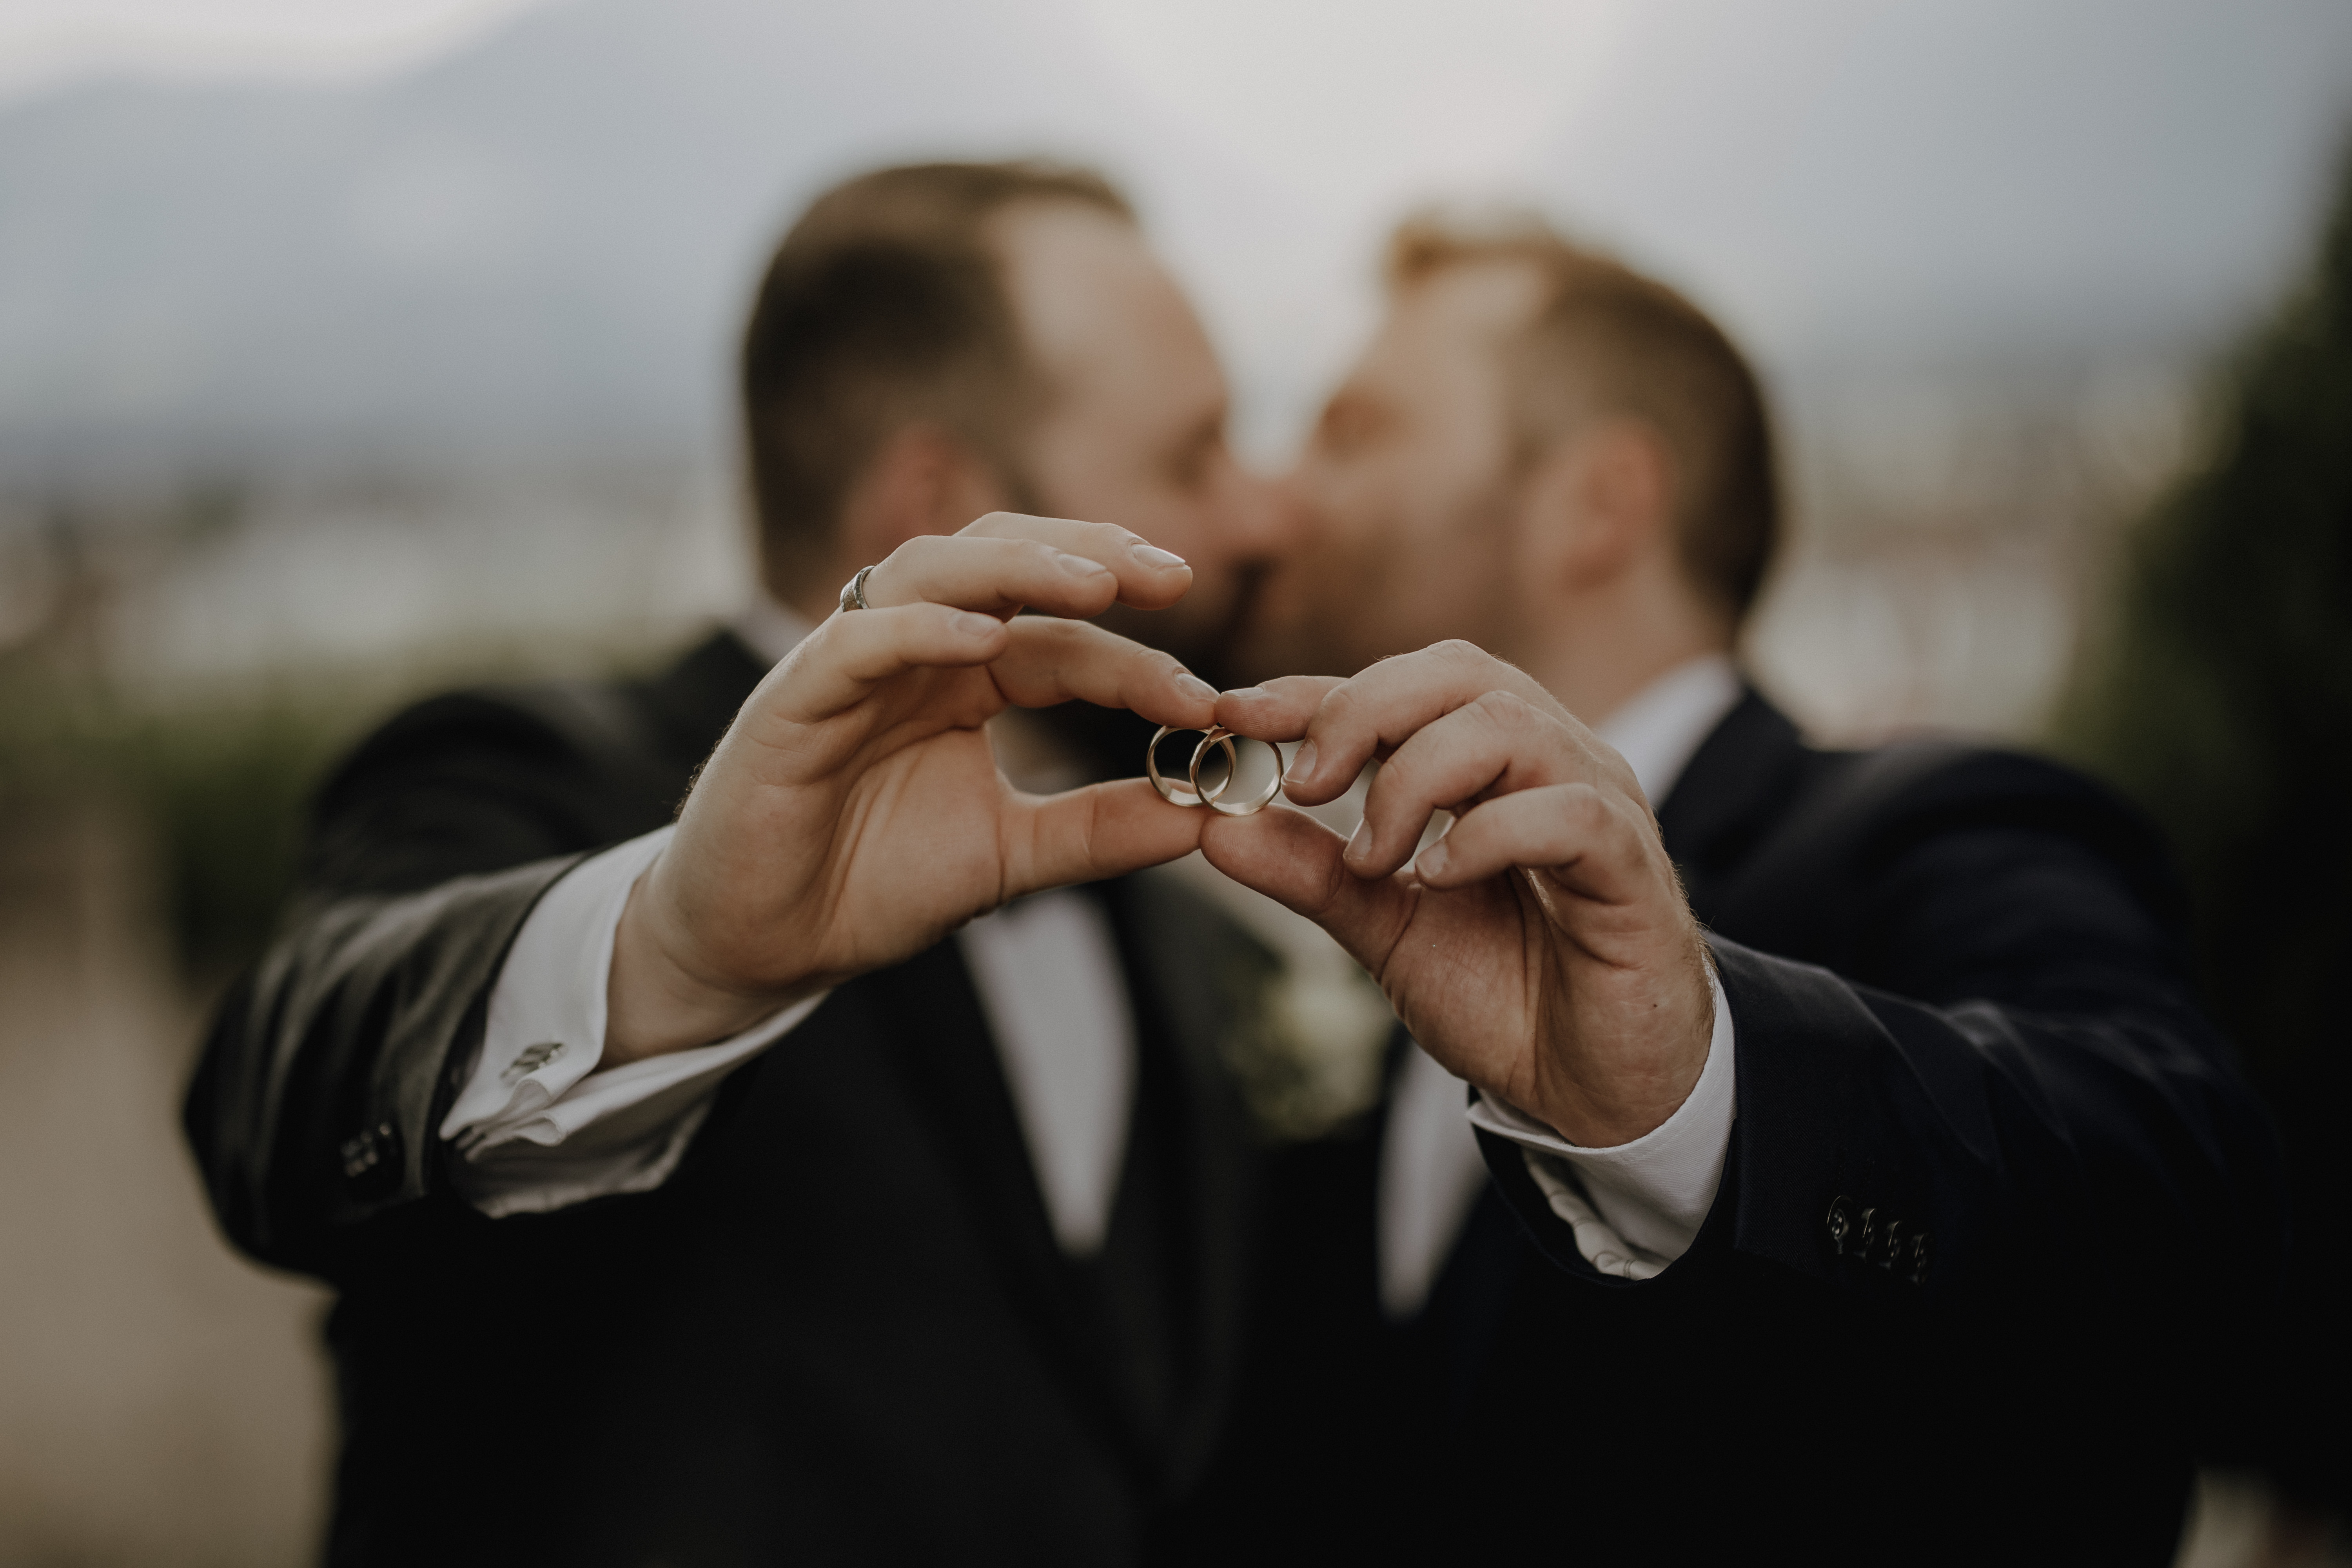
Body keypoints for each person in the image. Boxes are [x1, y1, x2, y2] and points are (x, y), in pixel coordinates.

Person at [184, 161, 1288, 1565]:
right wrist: (670, 953)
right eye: (1193, 459)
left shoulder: (1185, 923)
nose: (1267, 516)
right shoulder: (526, 771)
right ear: (934, 502)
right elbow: (277, 1082)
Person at [1192, 216, 2290, 1563]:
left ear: (1600, 502)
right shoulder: (1384, 951)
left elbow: (2196, 1220)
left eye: (1353, 433)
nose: (1272, 500)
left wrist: (1699, 1091)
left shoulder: (1939, 827)